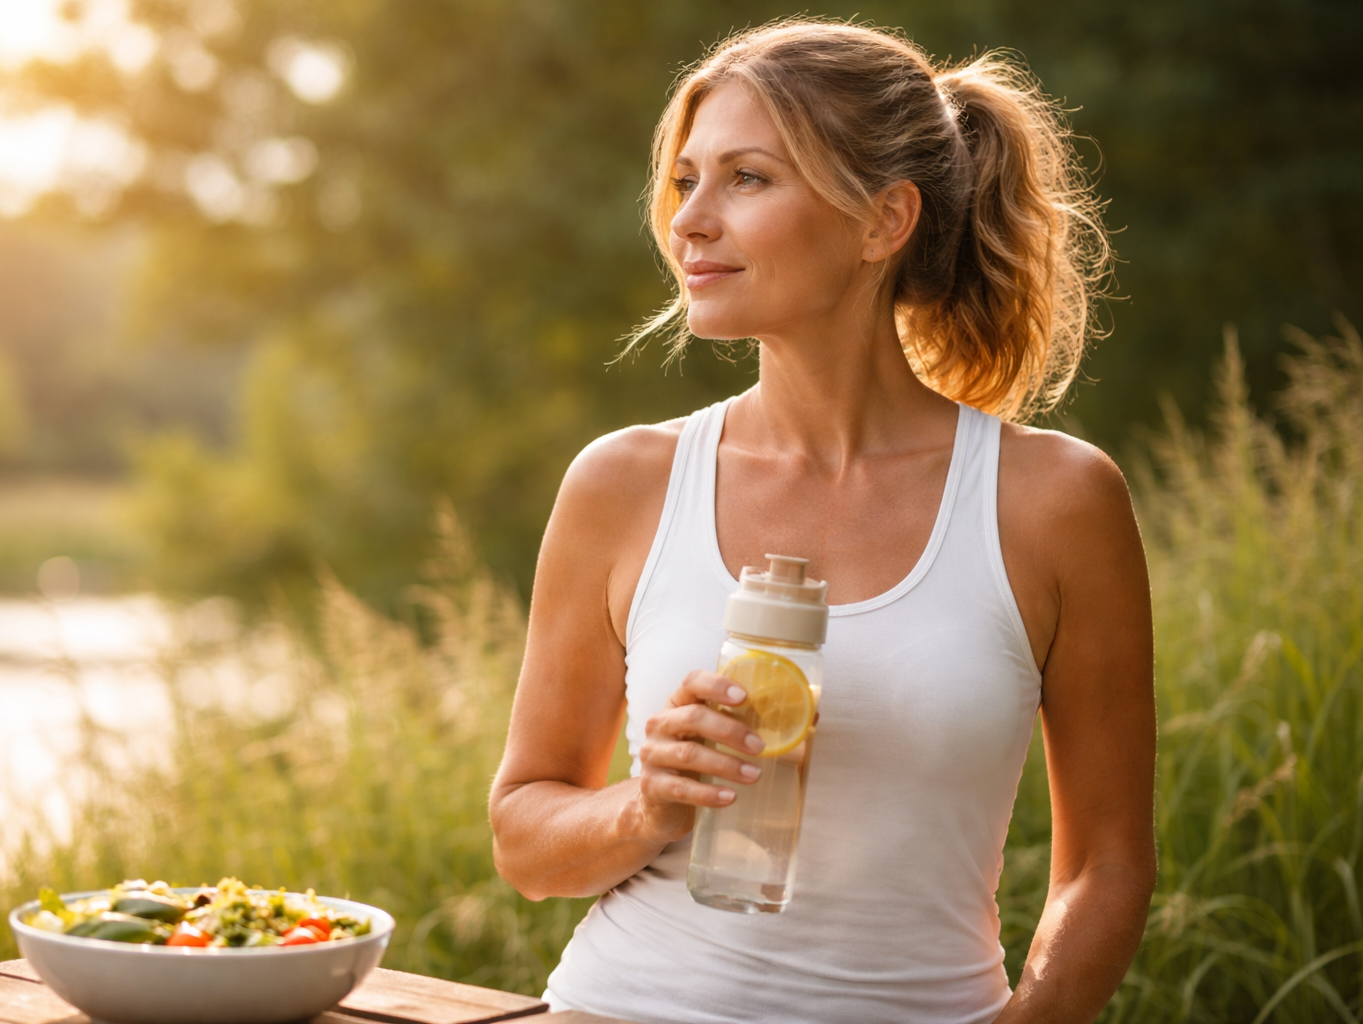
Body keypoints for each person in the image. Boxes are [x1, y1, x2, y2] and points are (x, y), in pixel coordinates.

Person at [488, 18, 1156, 1024]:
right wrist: (649, 802)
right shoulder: (621, 484)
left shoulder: (1055, 502)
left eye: (747, 178)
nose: (690, 222)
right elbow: (523, 839)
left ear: (883, 220)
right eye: (685, 181)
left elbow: (1106, 865)